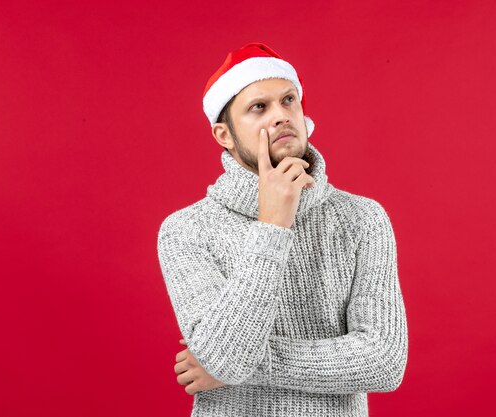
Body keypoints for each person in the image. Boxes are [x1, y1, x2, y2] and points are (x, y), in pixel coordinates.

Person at [156, 42, 408, 417]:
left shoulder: (362, 218)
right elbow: (225, 358)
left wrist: (242, 365)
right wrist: (273, 224)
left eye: (288, 100)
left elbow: (384, 362)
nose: (280, 116)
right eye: (259, 107)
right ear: (224, 135)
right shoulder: (187, 231)